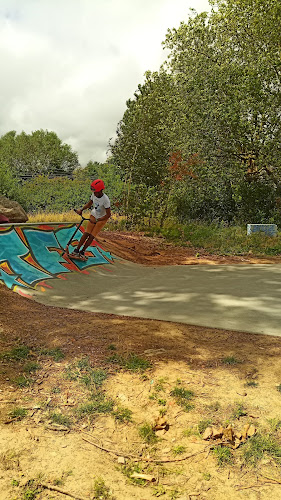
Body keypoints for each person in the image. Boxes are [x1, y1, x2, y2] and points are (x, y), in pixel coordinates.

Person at [71, 179, 111, 260]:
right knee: (86, 233)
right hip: (94, 214)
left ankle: (82, 252)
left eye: (95, 191)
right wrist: (81, 210)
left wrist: (98, 220)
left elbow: (108, 214)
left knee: (91, 236)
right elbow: (89, 204)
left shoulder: (106, 200)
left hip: (102, 218)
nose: (94, 193)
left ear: (100, 191)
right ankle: (76, 250)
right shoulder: (93, 195)